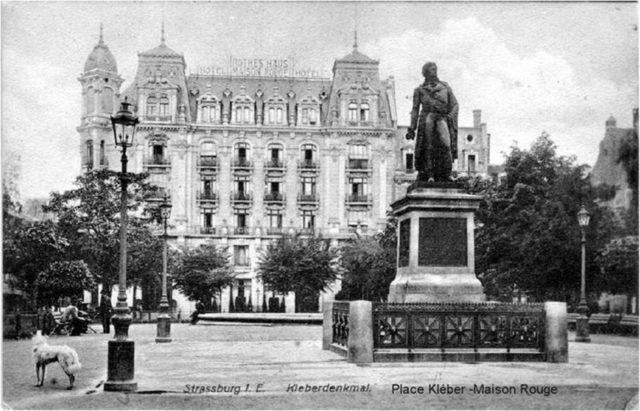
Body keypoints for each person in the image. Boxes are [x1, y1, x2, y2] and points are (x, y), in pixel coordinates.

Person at [406, 62, 459, 183]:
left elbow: (455, 104)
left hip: (442, 118)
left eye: (435, 69)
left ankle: (447, 173)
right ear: (425, 73)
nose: (434, 71)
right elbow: (415, 109)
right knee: (428, 146)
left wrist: (450, 116)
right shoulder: (419, 90)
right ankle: (430, 174)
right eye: (431, 69)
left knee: (446, 145)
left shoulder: (445, 87)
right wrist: (412, 127)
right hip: (428, 117)